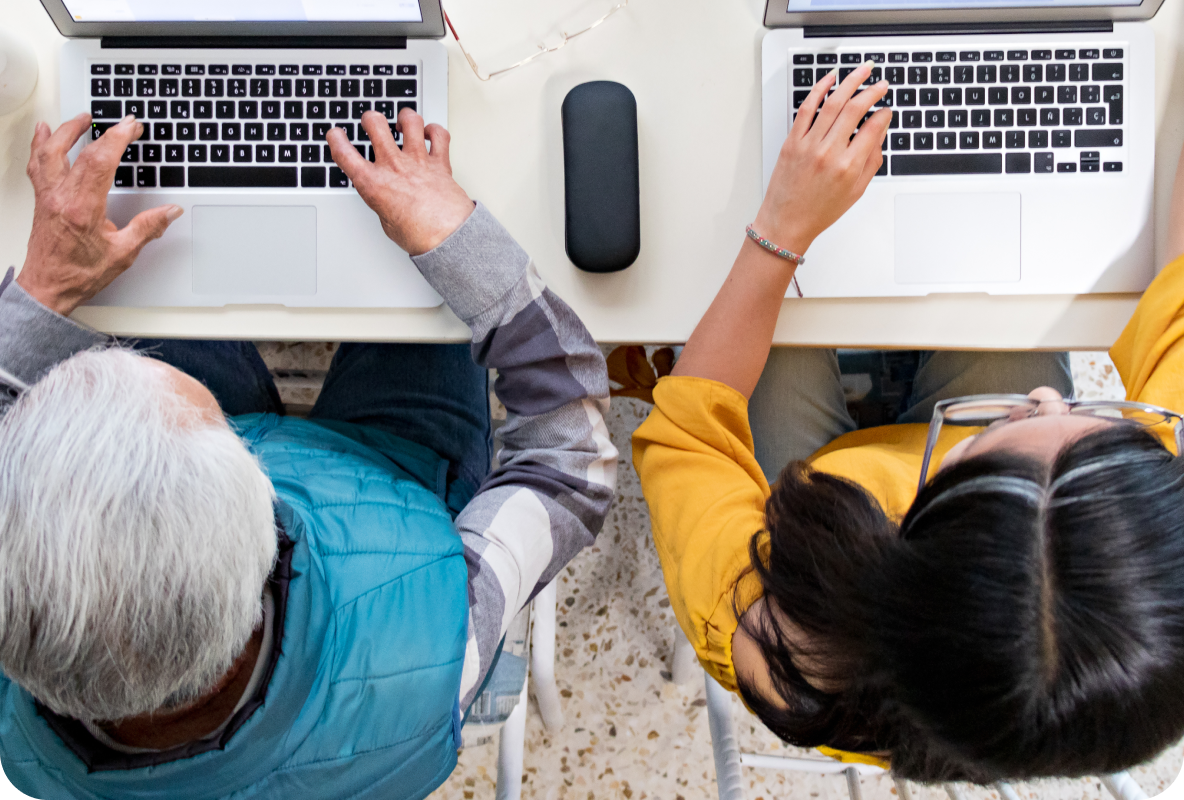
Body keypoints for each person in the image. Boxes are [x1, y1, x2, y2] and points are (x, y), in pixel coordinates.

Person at [0, 106, 617, 800]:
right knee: (425, 294)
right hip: (397, 476)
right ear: (263, 510)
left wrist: (44, 292)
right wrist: (462, 248)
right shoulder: (436, 639)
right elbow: (572, 460)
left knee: (138, 291)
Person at [633, 63, 1184, 784]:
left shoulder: (773, 628)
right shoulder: (1141, 540)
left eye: (1012, 428)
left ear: (912, 532)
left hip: (814, 494)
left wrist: (782, 229)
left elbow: (689, 431)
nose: (1052, 400)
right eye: (1093, 426)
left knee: (762, 317)